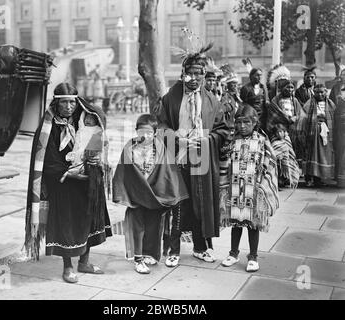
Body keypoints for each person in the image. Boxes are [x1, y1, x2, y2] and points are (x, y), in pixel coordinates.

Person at [24, 83, 112, 284]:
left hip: (88, 180)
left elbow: (100, 140)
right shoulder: (49, 127)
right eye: (64, 102)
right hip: (64, 184)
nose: (69, 106)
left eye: (72, 101)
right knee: (68, 225)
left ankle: (84, 262)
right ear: (56, 102)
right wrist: (70, 174)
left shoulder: (86, 119)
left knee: (89, 220)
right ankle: (68, 267)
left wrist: (97, 160)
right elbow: (48, 160)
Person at [158, 38, 230, 265]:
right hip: (177, 158)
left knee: (201, 202)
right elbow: (160, 126)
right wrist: (175, 138)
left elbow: (223, 130)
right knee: (178, 204)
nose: (195, 77)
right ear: (183, 73)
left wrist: (207, 140)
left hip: (202, 158)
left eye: (199, 73)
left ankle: (200, 247)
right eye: (190, 73)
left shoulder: (211, 100)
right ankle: (173, 250)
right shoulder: (171, 97)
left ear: (204, 75)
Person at [113, 114, 188, 274]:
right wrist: (122, 190)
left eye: (148, 133)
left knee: (154, 225)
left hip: (155, 194)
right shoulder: (130, 148)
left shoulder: (160, 148)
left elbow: (167, 172)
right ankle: (138, 259)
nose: (145, 136)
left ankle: (150, 254)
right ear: (136, 132)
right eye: (141, 132)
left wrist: (171, 192)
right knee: (137, 226)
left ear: (155, 133)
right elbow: (123, 171)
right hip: (137, 194)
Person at [220, 105, 279, 272]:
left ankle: (253, 256)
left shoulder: (261, 140)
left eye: (246, 122)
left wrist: (263, 182)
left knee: (253, 224)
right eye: (238, 122)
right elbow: (225, 162)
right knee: (236, 223)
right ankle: (233, 253)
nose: (242, 126)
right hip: (235, 189)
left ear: (255, 122)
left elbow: (270, 161)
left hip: (254, 190)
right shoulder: (232, 140)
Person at [298, 84, 336, 187]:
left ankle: (319, 178)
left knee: (322, 156)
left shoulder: (331, 104)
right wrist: (303, 132)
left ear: (325, 92)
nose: (320, 94)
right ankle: (309, 179)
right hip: (312, 132)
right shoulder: (309, 103)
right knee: (312, 154)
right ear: (314, 93)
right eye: (317, 92)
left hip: (326, 132)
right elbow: (303, 118)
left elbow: (334, 117)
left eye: (322, 92)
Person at [266, 79, 303, 187]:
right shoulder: (275, 100)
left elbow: (300, 114)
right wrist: (279, 128)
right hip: (278, 131)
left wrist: (295, 118)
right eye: (288, 87)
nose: (290, 90)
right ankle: (279, 178)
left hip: (292, 130)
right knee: (280, 153)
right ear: (282, 88)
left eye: (292, 87)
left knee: (290, 154)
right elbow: (273, 116)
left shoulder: (294, 100)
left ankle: (288, 178)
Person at [333, 87, 345, 188]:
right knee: (342, 154)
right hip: (342, 132)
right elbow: (338, 117)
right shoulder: (342, 102)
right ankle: (342, 181)